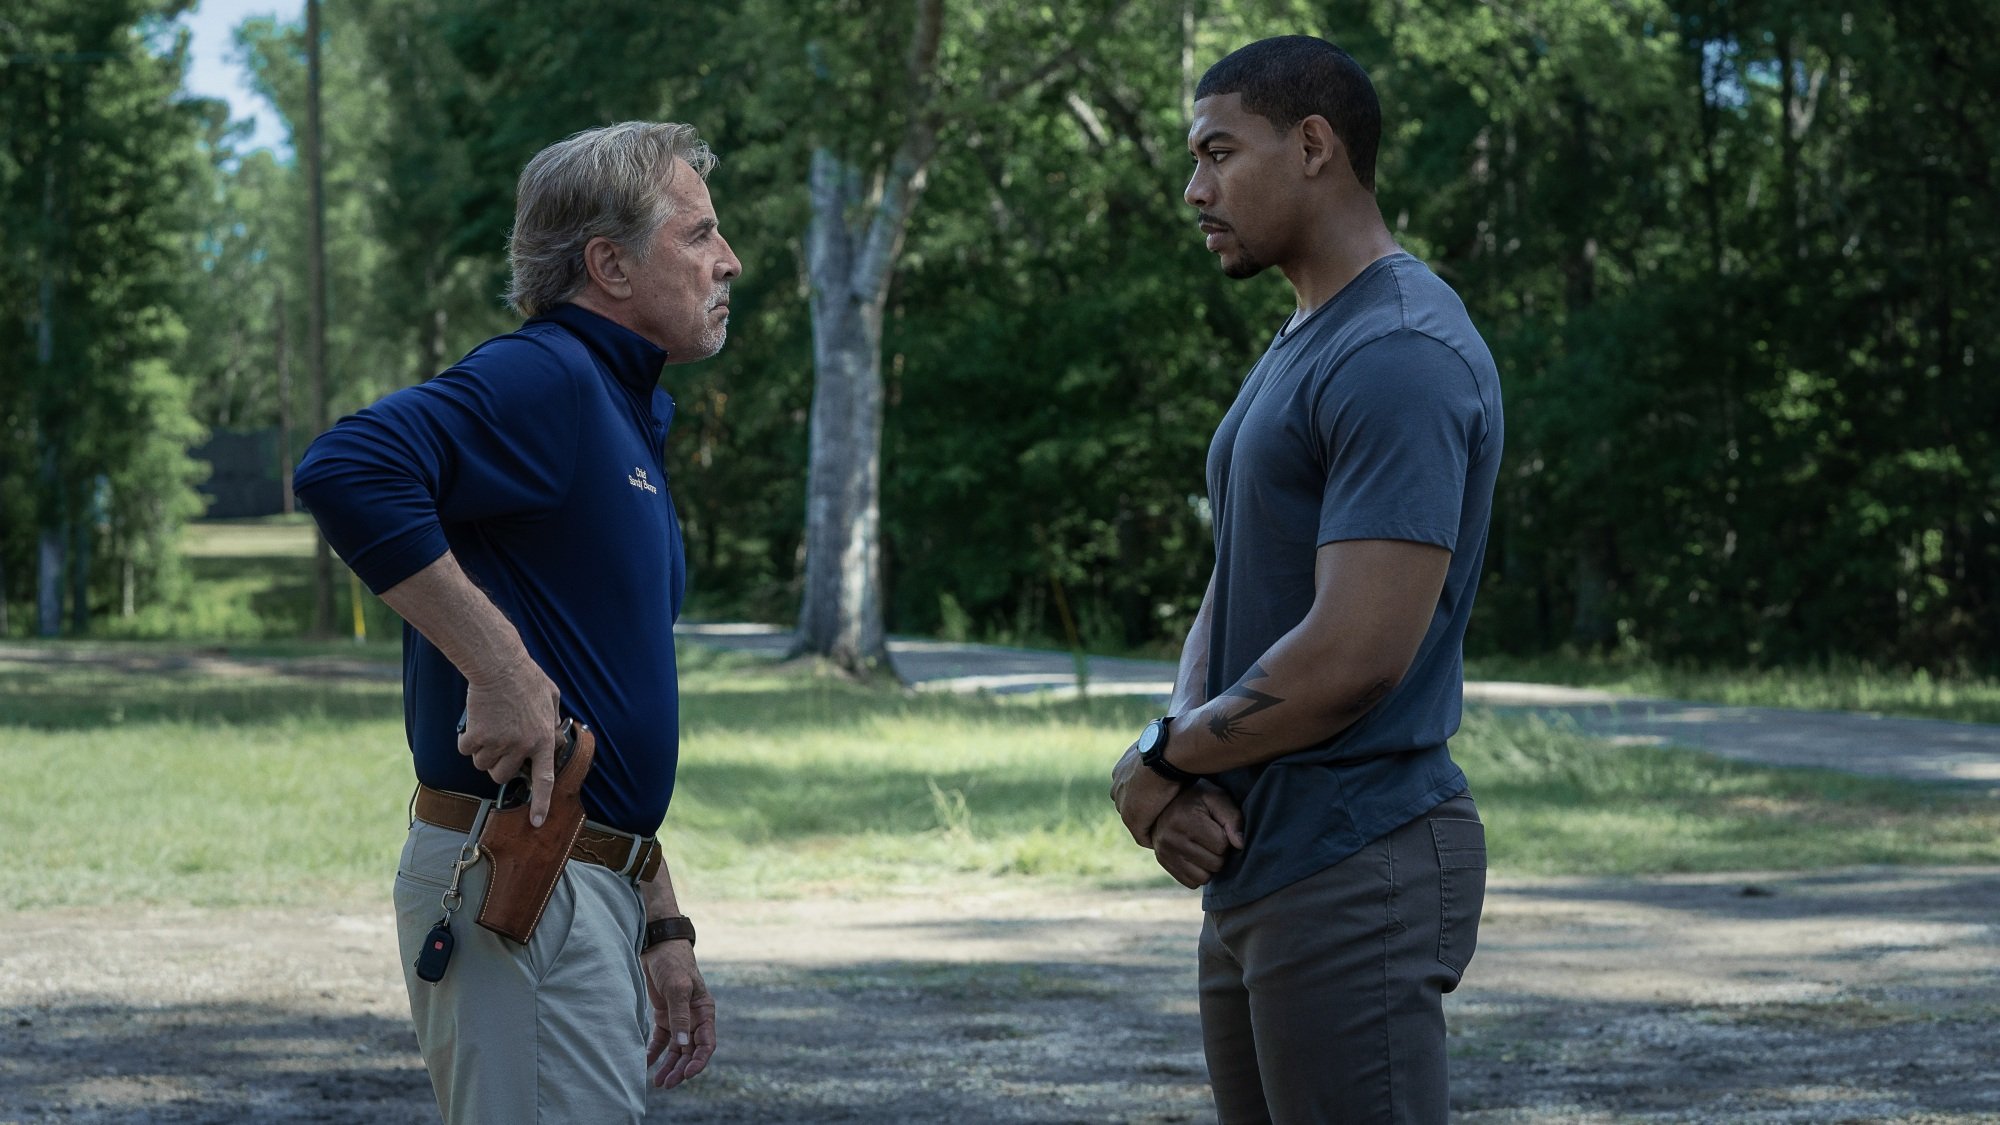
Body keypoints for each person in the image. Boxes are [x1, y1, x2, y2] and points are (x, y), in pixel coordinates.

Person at [293, 120, 741, 1124]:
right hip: (523, 888)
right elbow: (346, 468)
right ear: (608, 265)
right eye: (699, 234)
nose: (728, 260)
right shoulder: (550, 375)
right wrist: (495, 666)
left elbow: (597, 688)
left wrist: (659, 917)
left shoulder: (621, 410)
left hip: (584, 881)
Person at [1109, 37, 1504, 1124]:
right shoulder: (1308, 334)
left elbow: (1353, 655)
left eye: (1217, 153)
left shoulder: (1399, 349)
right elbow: (1238, 573)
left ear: (1315, 146)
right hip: (1262, 855)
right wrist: (1179, 754)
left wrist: (1156, 761)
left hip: (1353, 858)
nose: (1195, 189)